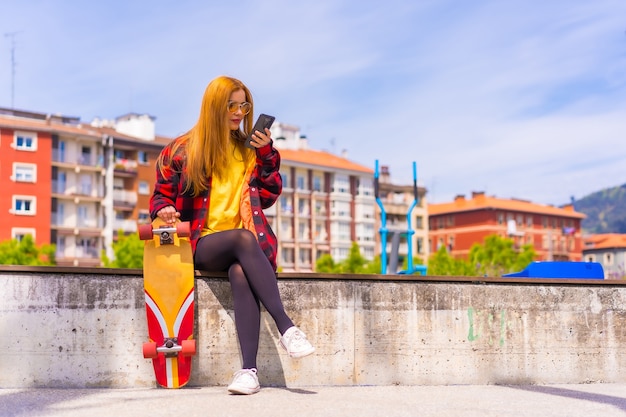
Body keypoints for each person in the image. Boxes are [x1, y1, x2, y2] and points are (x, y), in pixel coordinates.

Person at [149, 75, 315, 395]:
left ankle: (248, 372)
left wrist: (267, 155)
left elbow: (267, 196)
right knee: (241, 239)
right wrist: (163, 211)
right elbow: (160, 196)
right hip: (199, 242)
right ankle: (286, 326)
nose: (239, 112)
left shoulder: (248, 149)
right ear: (215, 107)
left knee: (240, 272)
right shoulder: (182, 150)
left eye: (244, 105)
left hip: (244, 247)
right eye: (231, 105)